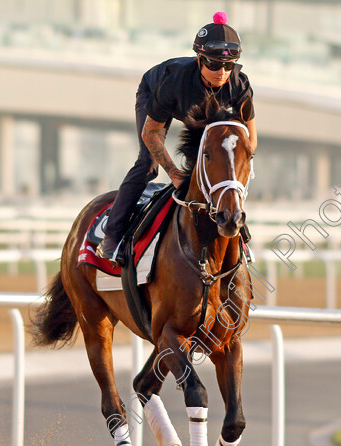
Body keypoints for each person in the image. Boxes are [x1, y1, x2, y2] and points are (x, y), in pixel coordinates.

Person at [97, 11, 258, 265]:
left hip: (205, 113)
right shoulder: (174, 83)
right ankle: (112, 237)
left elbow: (250, 140)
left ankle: (237, 231)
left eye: (228, 65)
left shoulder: (238, 85)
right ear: (199, 59)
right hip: (155, 91)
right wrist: (172, 172)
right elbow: (150, 134)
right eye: (214, 64)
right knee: (147, 165)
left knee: (221, 167)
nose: (221, 72)